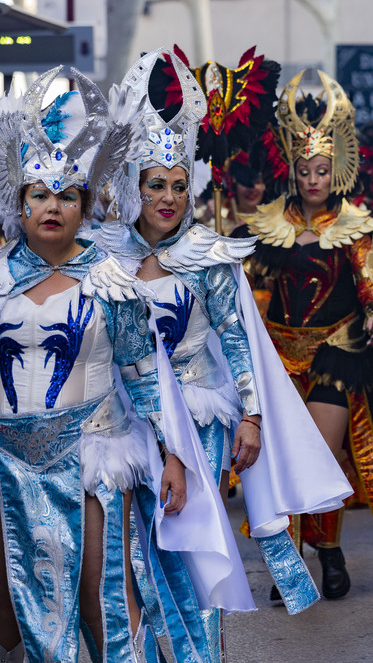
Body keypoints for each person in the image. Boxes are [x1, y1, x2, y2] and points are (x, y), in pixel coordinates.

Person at [99, 51, 352, 645]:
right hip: (124, 422)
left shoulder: (209, 256)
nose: (168, 197)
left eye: (179, 186)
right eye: (155, 185)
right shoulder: (104, 258)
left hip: (200, 417)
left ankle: (202, 654)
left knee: (195, 542)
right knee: (136, 556)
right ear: (135, 189)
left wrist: (254, 418)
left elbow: (237, 338)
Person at [0, 68, 191, 663]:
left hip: (90, 458)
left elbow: (143, 371)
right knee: (14, 615)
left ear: (86, 204)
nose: (52, 206)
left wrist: (175, 455)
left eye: (66, 195)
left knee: (101, 599)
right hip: (6, 463)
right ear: (20, 201)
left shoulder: (112, 279)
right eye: (39, 193)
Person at [240, 70, 373, 601]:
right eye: (305, 170)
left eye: (322, 170)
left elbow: (370, 283)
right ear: (292, 170)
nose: (313, 179)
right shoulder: (266, 225)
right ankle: (292, 562)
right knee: (280, 461)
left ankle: (327, 551)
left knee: (323, 459)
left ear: (338, 170)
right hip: (278, 359)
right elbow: (244, 287)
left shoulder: (352, 227)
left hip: (335, 352)